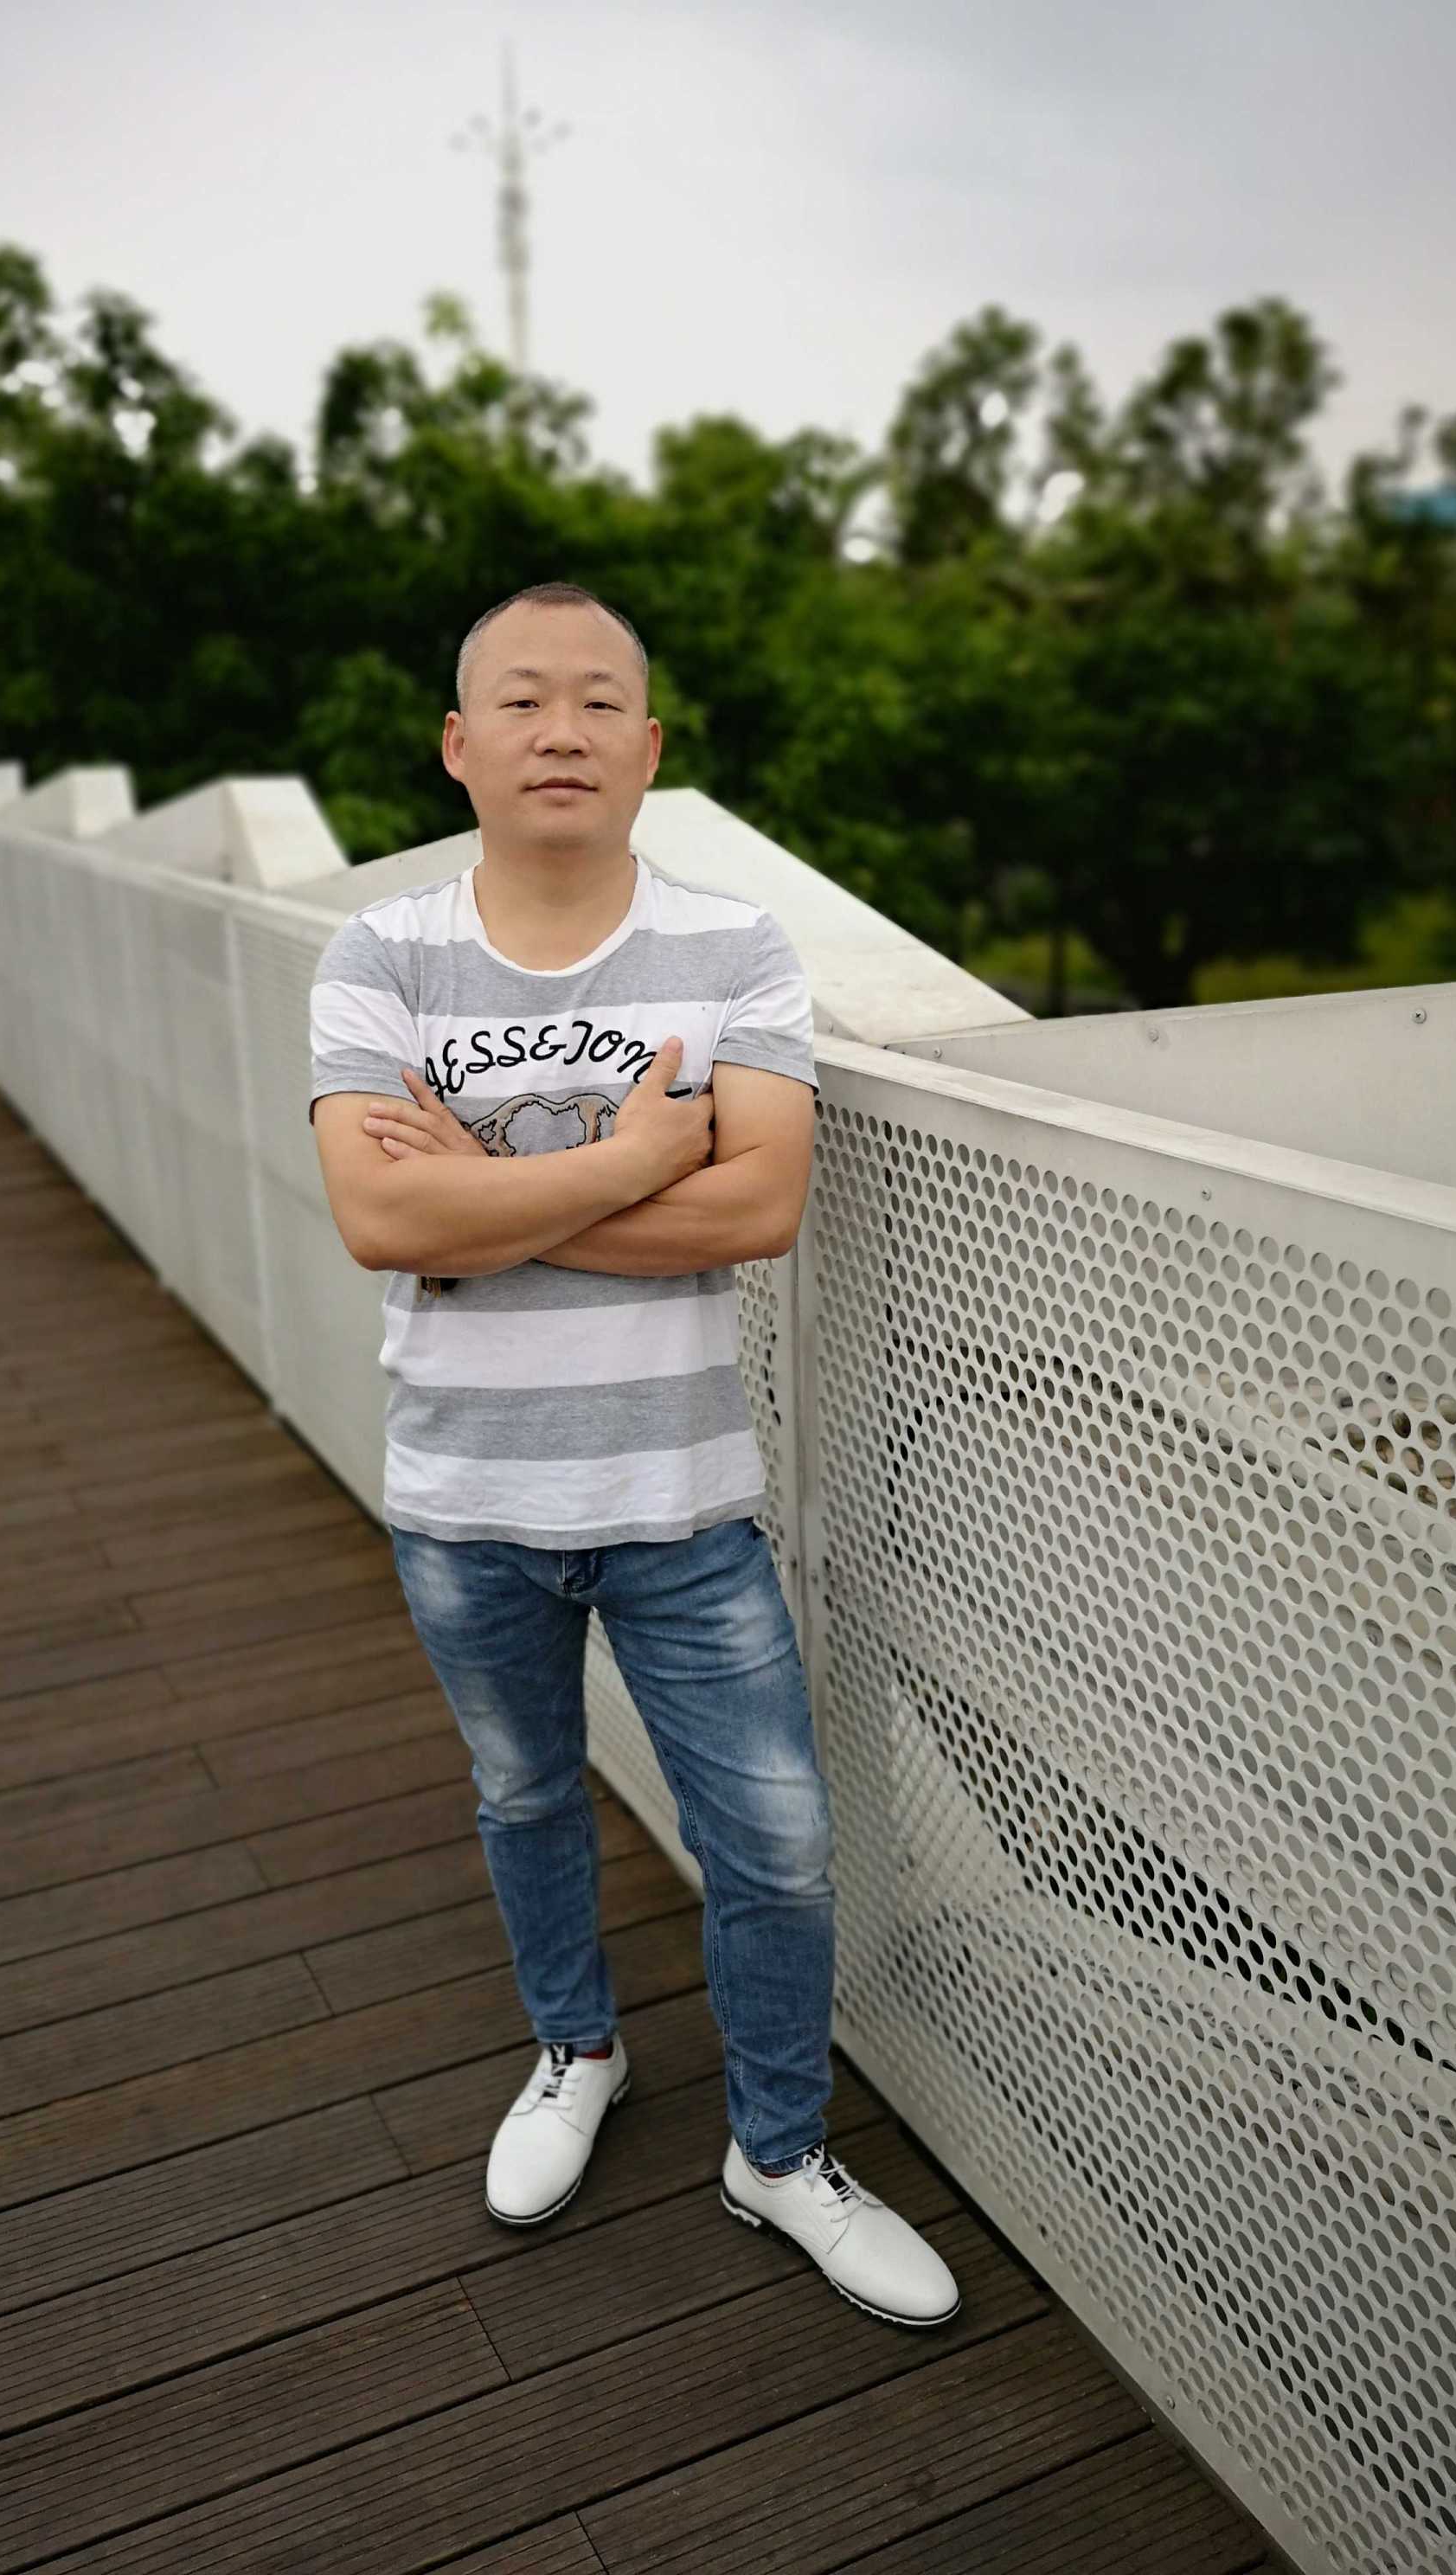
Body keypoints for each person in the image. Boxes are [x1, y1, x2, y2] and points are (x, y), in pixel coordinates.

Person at [308, 582, 959, 2328]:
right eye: (522, 700)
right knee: (524, 1794)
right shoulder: (380, 955)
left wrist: (486, 1193)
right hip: (463, 1498)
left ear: (649, 746)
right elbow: (379, 1218)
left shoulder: (732, 946)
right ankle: (575, 2049)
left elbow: (758, 1208)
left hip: (682, 1499)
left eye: (600, 701)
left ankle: (780, 2153)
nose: (563, 730)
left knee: (779, 1849)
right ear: (458, 746)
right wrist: (633, 1160)